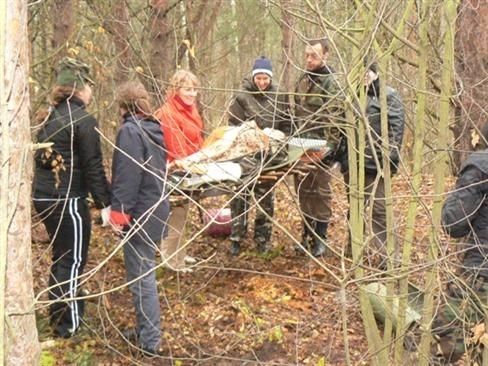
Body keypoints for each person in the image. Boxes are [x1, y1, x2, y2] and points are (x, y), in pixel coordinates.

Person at [32, 57, 111, 338]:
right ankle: (68, 326)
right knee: (72, 260)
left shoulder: (49, 117)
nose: (91, 90)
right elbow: (93, 166)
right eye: (89, 85)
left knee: (62, 257)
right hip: (67, 201)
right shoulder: (83, 121)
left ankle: (59, 317)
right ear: (80, 89)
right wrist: (106, 203)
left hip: (44, 198)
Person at [109, 81, 169, 356]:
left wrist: (119, 215)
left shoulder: (132, 132)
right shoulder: (154, 129)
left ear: (124, 106)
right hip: (155, 210)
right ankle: (146, 330)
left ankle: (150, 341)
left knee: (143, 278)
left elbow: (127, 177)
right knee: (141, 275)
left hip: (142, 215)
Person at [341, 60, 405, 267]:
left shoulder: (389, 96)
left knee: (379, 209)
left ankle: (388, 258)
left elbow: (396, 130)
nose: (364, 77)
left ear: (375, 74)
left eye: (367, 73)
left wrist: (386, 159)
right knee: (356, 207)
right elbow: (342, 129)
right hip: (353, 162)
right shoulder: (352, 96)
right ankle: (354, 250)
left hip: (377, 165)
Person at [227, 56, 291, 256]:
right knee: (240, 195)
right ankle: (237, 237)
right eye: (259, 78)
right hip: (246, 153)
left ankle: (263, 238)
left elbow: (288, 124)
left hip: (270, 154)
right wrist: (249, 134)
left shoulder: (280, 95)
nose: (262, 82)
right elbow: (233, 126)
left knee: (265, 196)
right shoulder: (242, 96)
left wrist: (280, 138)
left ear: (270, 78)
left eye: (265, 78)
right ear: (253, 77)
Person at [294, 38, 346, 257]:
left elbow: (336, 119)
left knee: (321, 194)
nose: (309, 59)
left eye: (314, 56)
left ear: (325, 56)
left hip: (321, 149)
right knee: (303, 192)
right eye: (306, 55)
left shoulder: (331, 82)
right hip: (300, 147)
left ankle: (320, 238)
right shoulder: (303, 80)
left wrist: (330, 150)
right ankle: (307, 236)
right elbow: (295, 111)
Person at [154, 70, 203, 271]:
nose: (192, 94)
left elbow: (196, 139)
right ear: (176, 90)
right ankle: (172, 262)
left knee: (181, 217)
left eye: (194, 90)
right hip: (174, 172)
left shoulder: (191, 110)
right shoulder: (168, 113)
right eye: (187, 90)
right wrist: (192, 165)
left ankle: (179, 254)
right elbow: (175, 149)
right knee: (175, 217)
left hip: (190, 169)